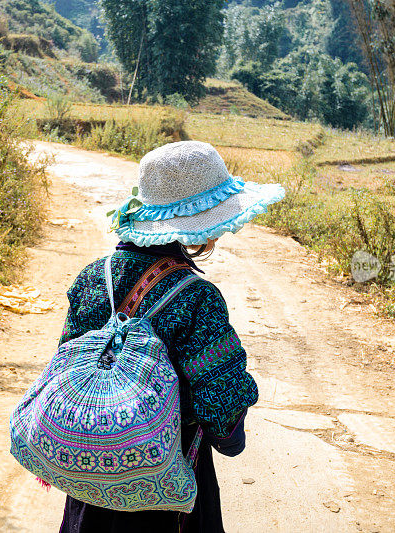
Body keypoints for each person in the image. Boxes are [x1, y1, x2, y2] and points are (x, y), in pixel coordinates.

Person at [57, 141, 284, 532]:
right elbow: (223, 413)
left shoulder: (92, 278)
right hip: (167, 495)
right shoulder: (197, 298)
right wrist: (231, 440)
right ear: (205, 223)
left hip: (92, 484)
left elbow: (66, 365)